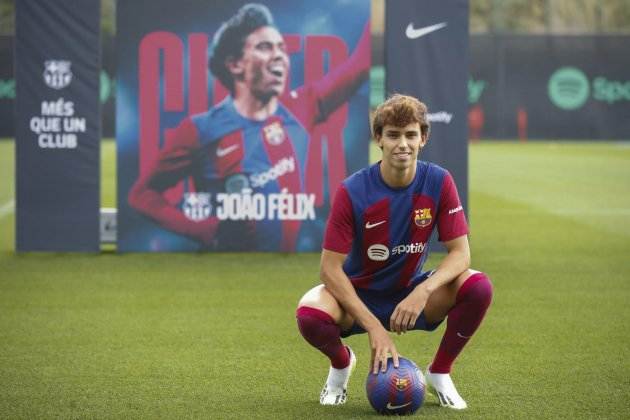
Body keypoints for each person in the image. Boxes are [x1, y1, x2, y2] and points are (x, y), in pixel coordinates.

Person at [296, 94, 493, 409]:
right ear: (379, 139)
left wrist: (423, 291)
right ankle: (341, 364)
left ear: (423, 139)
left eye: (411, 135)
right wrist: (375, 328)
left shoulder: (439, 181)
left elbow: (461, 254)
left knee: (478, 286)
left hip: (410, 293)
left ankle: (440, 372)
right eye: (393, 135)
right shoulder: (354, 190)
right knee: (309, 315)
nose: (403, 143)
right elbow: (329, 270)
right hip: (358, 296)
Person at [128, 3, 369, 251]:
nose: (279, 56)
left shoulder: (301, 106)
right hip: (227, 269)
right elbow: (142, 195)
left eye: (281, 48)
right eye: (265, 47)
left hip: (289, 265)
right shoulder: (200, 129)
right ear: (235, 65)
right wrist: (201, 230)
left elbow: (361, 64)